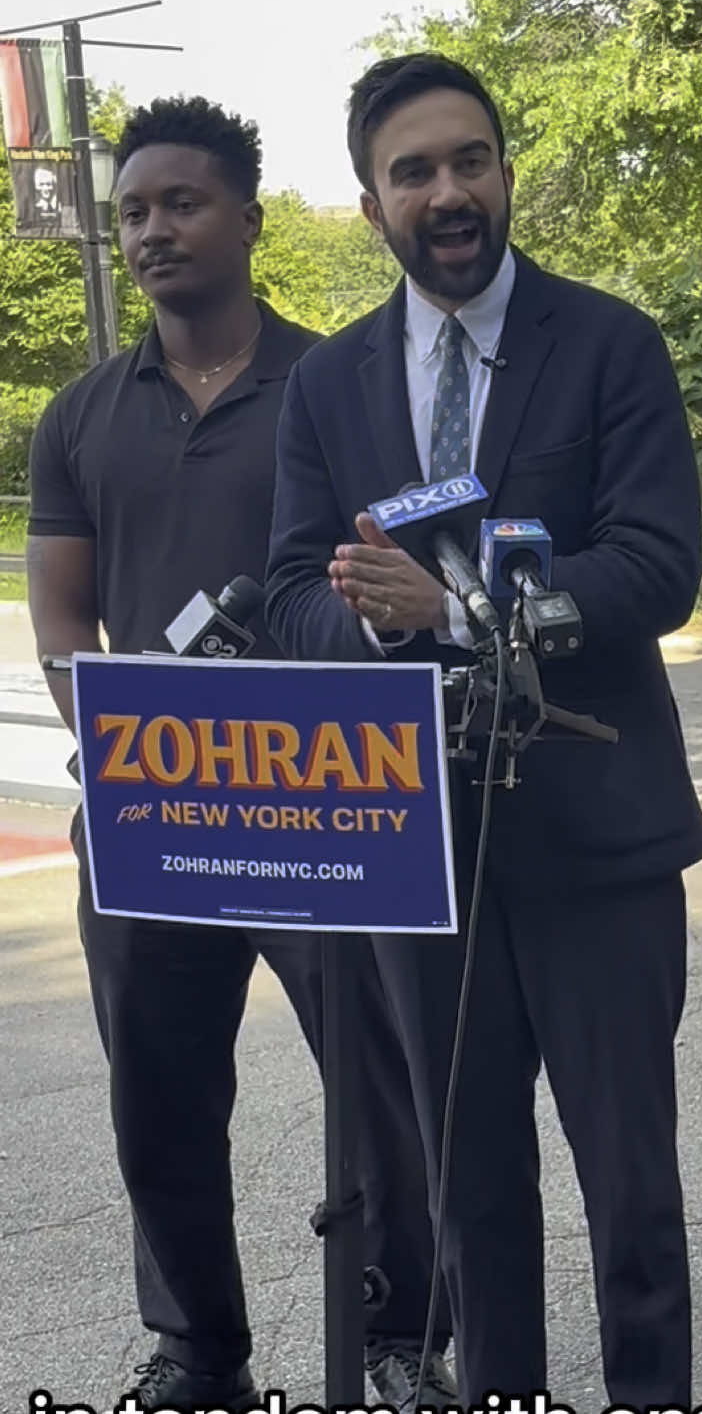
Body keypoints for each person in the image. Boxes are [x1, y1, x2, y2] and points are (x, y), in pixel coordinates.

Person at [265, 52, 702, 1404]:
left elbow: (654, 562)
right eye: (415, 171)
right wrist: (383, 624)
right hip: (419, 854)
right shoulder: (329, 384)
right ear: (370, 204)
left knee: (630, 1192)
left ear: (506, 171)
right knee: (473, 1192)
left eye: (471, 160)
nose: (448, 191)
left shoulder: (608, 340)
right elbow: (292, 590)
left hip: (597, 837)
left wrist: (456, 601)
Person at [25, 96, 452, 1414]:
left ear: (249, 219)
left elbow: (403, 575)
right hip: (153, 809)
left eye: (182, 202)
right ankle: (198, 1347)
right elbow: (60, 606)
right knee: (156, 1097)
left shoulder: (341, 390)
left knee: (379, 1084)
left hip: (328, 803)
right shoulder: (81, 414)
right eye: (135, 209)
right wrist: (100, 726)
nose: (153, 229)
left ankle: (397, 1333)